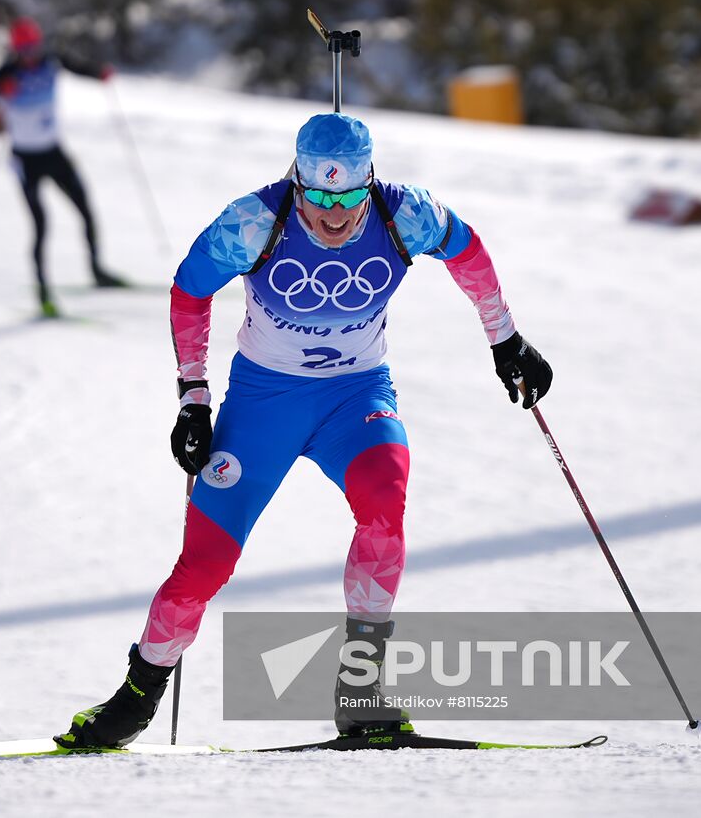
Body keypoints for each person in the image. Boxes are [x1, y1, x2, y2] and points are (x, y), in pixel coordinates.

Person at [55, 111, 553, 749]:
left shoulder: (406, 215)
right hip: (265, 403)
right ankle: (133, 701)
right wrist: (193, 398)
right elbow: (189, 291)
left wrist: (504, 339)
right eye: (318, 195)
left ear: (370, 182)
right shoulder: (255, 221)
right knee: (205, 563)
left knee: (385, 503)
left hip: (357, 397)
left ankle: (362, 690)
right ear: (297, 180)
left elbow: (468, 252)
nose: (334, 213)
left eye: (348, 197)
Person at [0, 17, 126, 318]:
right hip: (25, 160)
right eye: (26, 49)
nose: (32, 53)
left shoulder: (51, 62)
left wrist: (100, 74)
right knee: (41, 226)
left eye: (35, 46)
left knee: (85, 208)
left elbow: (79, 67)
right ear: (16, 49)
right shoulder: (6, 72)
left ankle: (97, 270)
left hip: (54, 153)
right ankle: (43, 293)